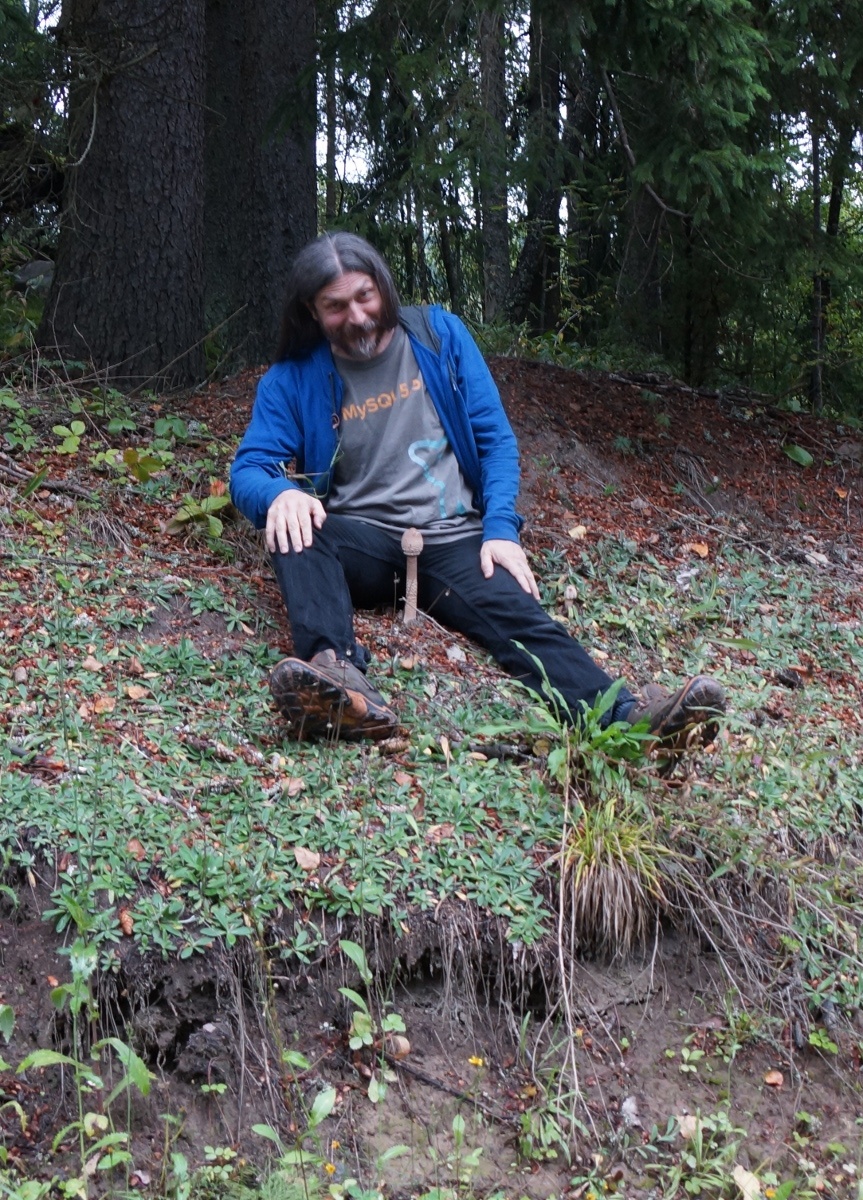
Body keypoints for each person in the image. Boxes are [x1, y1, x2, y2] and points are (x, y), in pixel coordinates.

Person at [230, 232, 725, 744]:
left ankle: (626, 721)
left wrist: (501, 529)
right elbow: (247, 471)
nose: (355, 316)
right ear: (311, 311)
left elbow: (495, 441)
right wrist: (279, 495)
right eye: (335, 306)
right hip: (362, 543)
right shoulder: (292, 379)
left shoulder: (438, 336)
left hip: (453, 538)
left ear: (384, 286)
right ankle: (337, 679)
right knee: (295, 528)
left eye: (364, 296)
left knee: (524, 623)